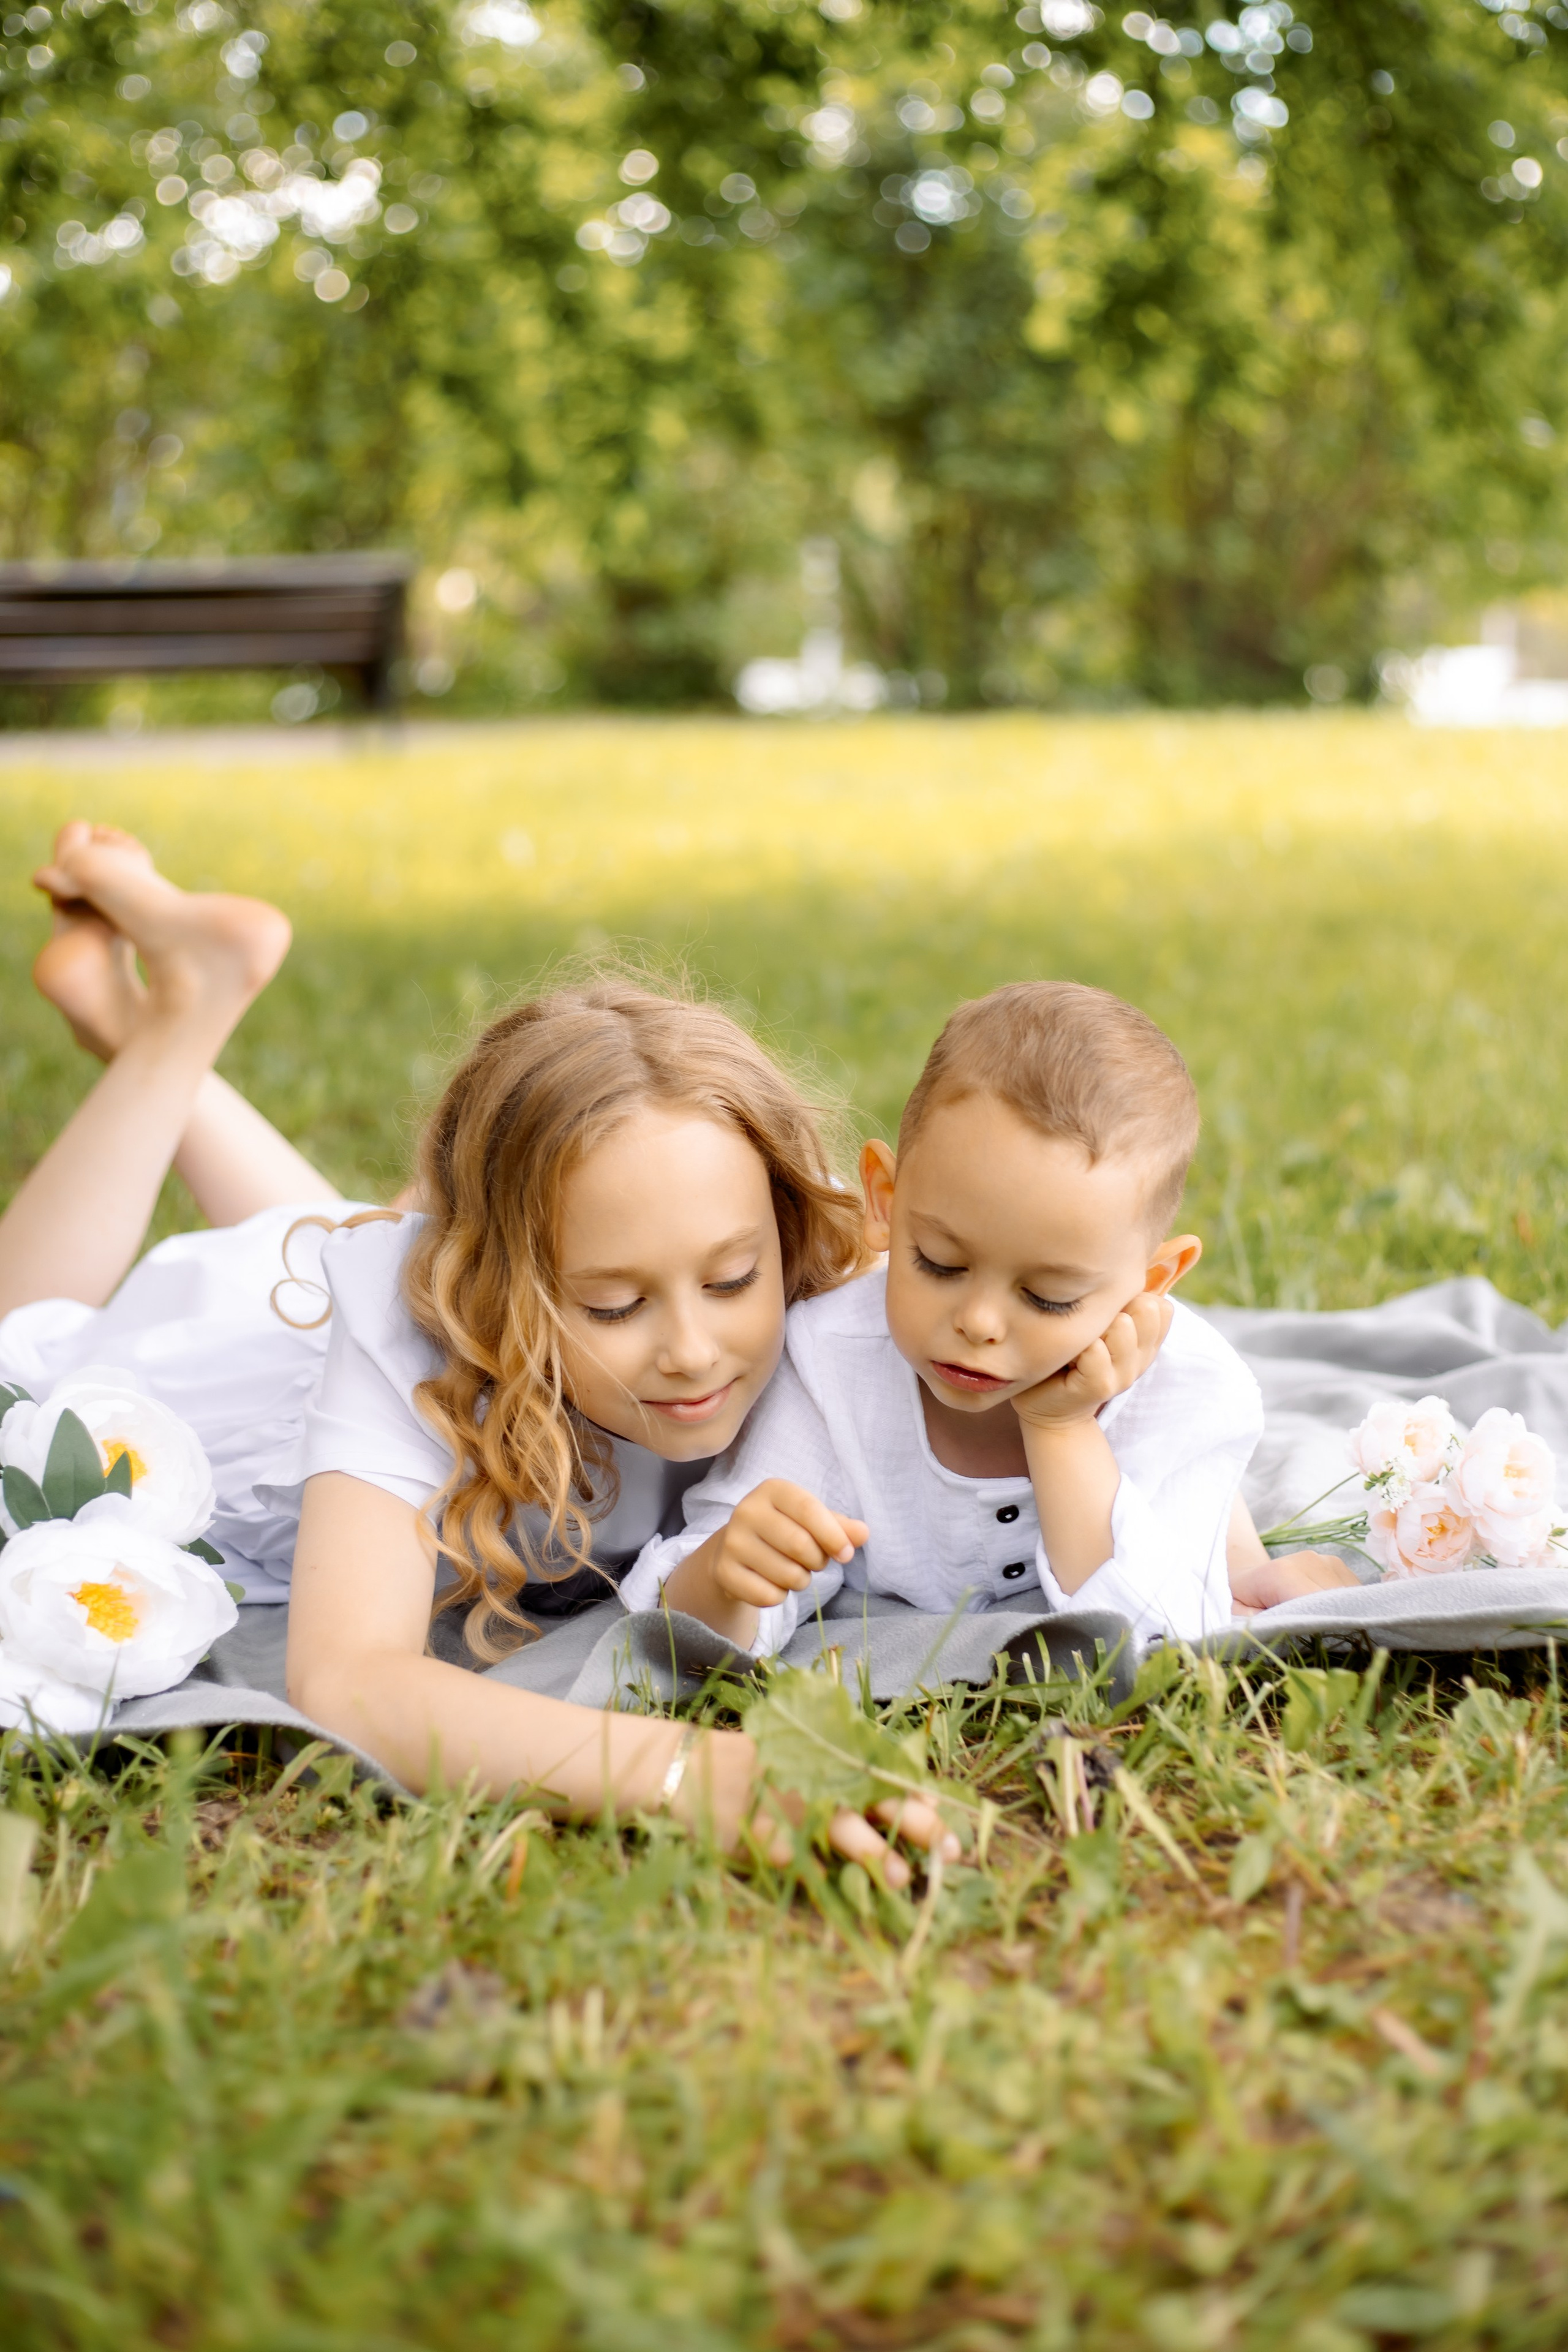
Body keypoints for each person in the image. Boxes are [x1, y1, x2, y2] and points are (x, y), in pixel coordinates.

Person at [2, 823, 956, 1882]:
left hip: (343, 1277)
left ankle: (135, 1014)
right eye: (611, 1305)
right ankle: (178, 1018)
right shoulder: (417, 1338)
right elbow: (350, 1682)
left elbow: (1007, 1302)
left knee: (341, 1236)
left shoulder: (823, 1285)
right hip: (217, 1370)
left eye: (733, 1281)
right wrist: (694, 1773)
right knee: (18, 1335)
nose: (693, 1352)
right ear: (493, 1292)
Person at [622, 981, 1359, 1653]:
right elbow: (688, 1617)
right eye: (939, 1263)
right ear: (884, 1200)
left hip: (1168, 1504)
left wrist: (1061, 1427)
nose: (978, 1321)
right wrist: (726, 1578)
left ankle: (1246, 1549)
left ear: (1151, 1283)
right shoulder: (828, 1364)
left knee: (1247, 1578)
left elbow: (1167, 1639)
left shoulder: (1190, 1388)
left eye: (1047, 1298)